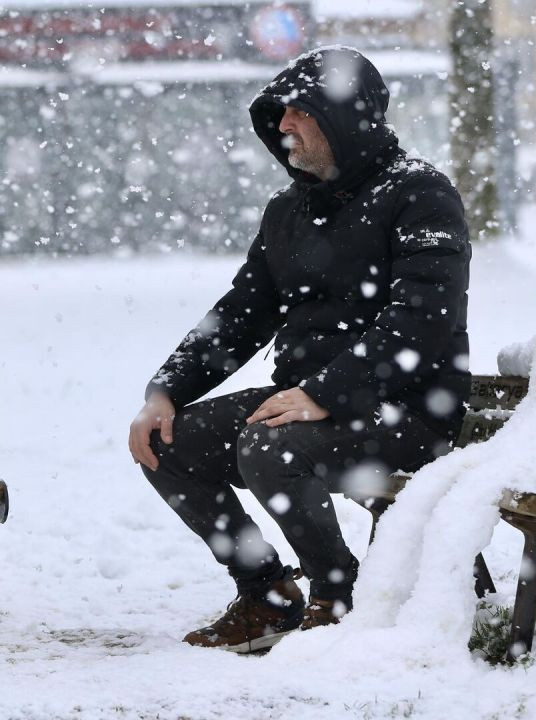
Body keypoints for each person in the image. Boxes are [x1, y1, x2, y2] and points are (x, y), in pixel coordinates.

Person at [127, 46, 471, 654]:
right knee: (167, 443)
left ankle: (340, 597)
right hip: (308, 405)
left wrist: (325, 393)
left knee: (270, 444)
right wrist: (166, 390)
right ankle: (267, 593)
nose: (283, 124)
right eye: (278, 113)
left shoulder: (420, 193)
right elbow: (242, 313)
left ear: (344, 117)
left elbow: (423, 321)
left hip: (408, 413)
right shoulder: (289, 210)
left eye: (299, 111)